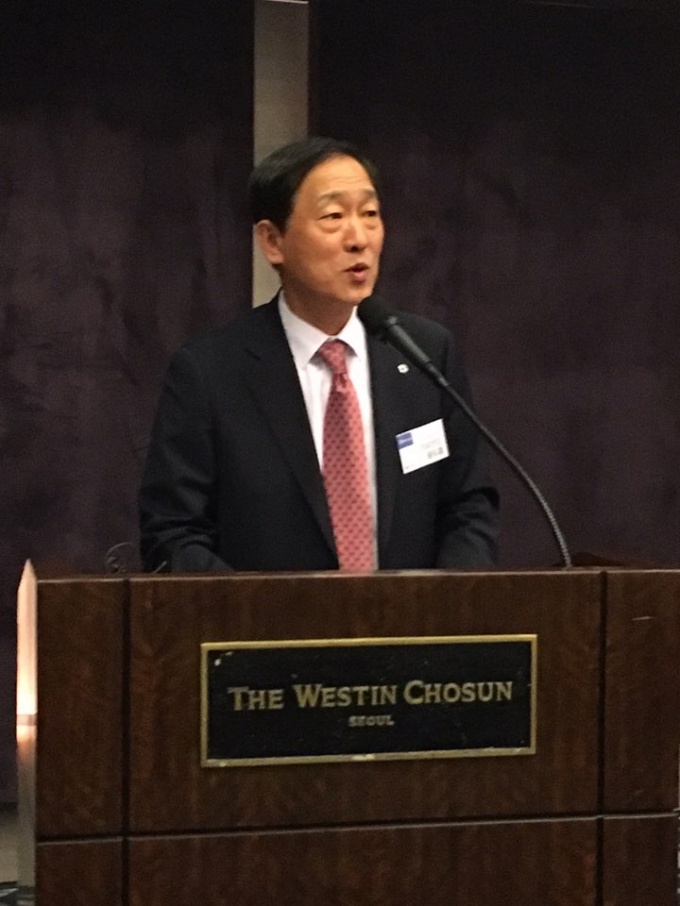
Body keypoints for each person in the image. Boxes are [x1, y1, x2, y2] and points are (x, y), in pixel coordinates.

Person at [139, 137, 499, 572]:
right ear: (272, 241)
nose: (359, 238)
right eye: (333, 217)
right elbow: (173, 533)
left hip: (414, 615)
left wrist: (449, 600)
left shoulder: (425, 352)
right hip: (263, 617)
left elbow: (467, 506)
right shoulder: (211, 371)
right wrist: (255, 608)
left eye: (370, 214)